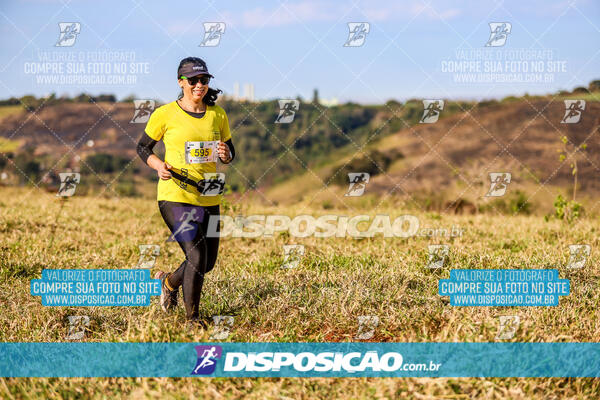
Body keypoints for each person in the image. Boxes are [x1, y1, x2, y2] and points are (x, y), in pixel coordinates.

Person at [136, 57, 235, 326]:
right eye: (193, 81)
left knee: (208, 262)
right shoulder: (165, 114)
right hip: (175, 194)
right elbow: (143, 148)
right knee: (196, 254)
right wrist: (158, 165)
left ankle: (168, 283)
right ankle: (193, 319)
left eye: (204, 80)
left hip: (210, 193)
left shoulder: (218, 114)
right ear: (181, 82)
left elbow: (228, 150)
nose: (199, 85)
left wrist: (226, 154)